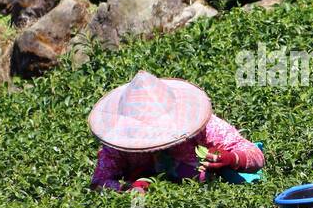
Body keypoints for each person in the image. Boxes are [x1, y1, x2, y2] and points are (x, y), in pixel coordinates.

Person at [89, 70, 264, 191]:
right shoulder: (118, 145)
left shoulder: (204, 128)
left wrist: (230, 158)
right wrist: (128, 188)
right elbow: (99, 183)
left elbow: (255, 155)